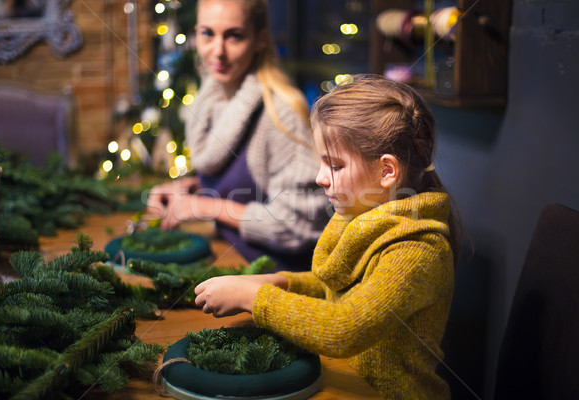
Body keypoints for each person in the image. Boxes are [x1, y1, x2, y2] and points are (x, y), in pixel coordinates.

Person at [194, 74, 462, 399]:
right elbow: (339, 291)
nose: (321, 178)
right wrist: (282, 282)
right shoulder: (366, 214)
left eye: (335, 166)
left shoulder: (418, 249)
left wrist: (254, 299)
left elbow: (344, 327)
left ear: (387, 171)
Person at [146, 0, 329, 271]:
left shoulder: (280, 112)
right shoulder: (209, 99)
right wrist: (192, 188)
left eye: (234, 36)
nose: (217, 52)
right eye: (207, 33)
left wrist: (205, 207)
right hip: (231, 257)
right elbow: (252, 186)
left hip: (274, 278)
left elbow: (301, 225)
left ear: (259, 40)